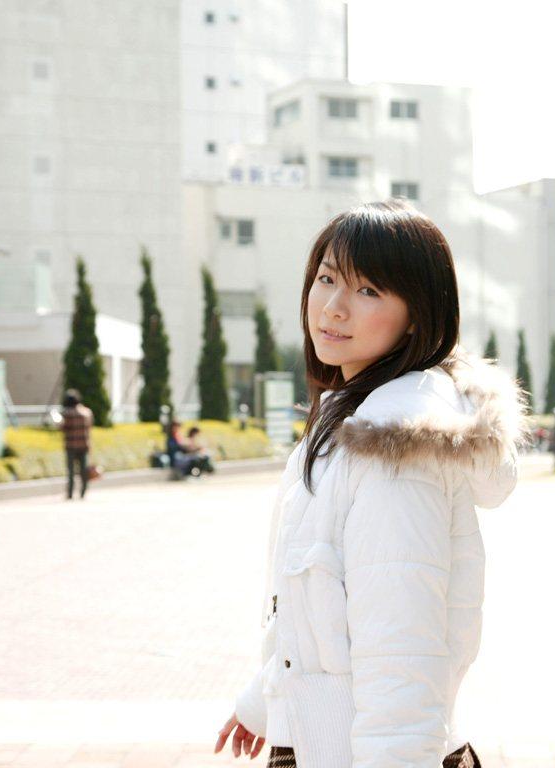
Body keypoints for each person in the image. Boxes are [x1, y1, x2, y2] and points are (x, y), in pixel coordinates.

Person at [213, 200, 532, 767]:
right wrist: (266, 703)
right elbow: (323, 611)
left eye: (367, 290)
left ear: (416, 316)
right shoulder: (353, 419)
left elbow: (401, 651)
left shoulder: (393, 448)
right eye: (326, 279)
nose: (333, 307)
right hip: (331, 744)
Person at [60, 389, 93, 500]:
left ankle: (70, 494)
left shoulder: (67, 414)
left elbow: (63, 428)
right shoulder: (87, 412)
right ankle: (83, 492)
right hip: (84, 445)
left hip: (70, 446)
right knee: (83, 471)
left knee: (71, 472)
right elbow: (89, 428)